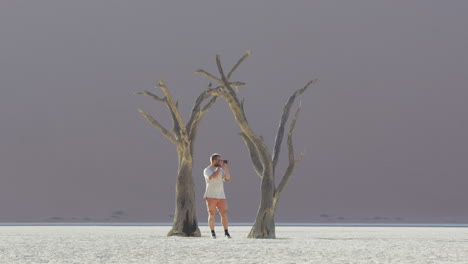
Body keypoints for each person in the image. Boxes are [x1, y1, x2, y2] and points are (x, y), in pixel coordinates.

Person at [203, 153, 231, 239]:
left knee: (224, 214)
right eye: (219, 160)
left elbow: (228, 179)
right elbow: (213, 177)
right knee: (211, 213)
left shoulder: (221, 170)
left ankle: (226, 232)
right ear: (214, 161)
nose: (220, 162)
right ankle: (212, 232)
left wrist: (225, 168)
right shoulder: (207, 170)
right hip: (210, 195)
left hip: (221, 196)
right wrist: (219, 167)